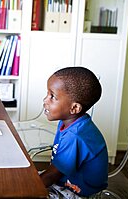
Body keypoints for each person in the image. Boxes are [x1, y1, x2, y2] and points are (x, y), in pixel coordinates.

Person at [40, 66, 108, 198]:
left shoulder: (75, 136)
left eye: (52, 96)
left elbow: (53, 174)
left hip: (78, 192)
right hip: (65, 180)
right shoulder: (70, 121)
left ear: (74, 108)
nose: (45, 100)